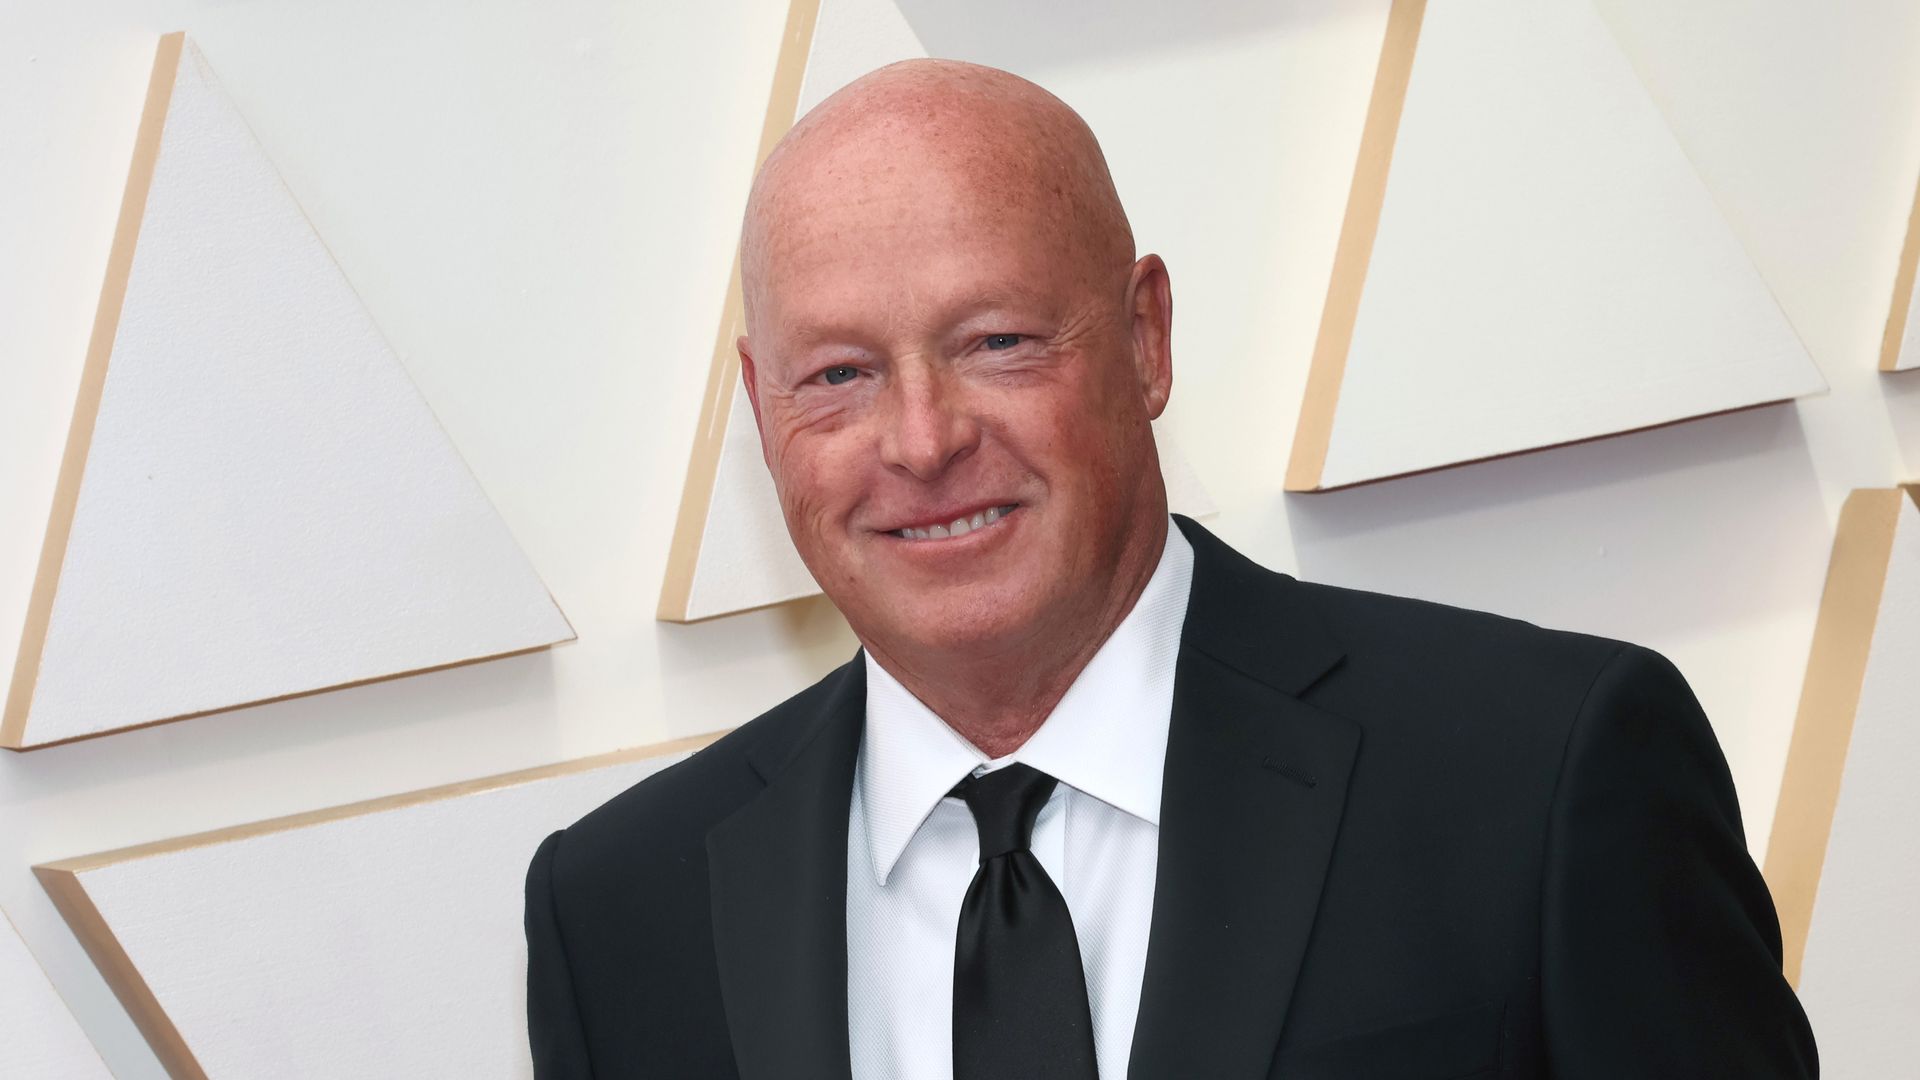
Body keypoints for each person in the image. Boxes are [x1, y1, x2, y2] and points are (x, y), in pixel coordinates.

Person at [524, 59, 1816, 1079]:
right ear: (762, 409)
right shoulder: (620, 911)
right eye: (840, 374)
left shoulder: (1540, 772)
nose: (922, 440)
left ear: (1146, 339)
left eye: (997, 342)